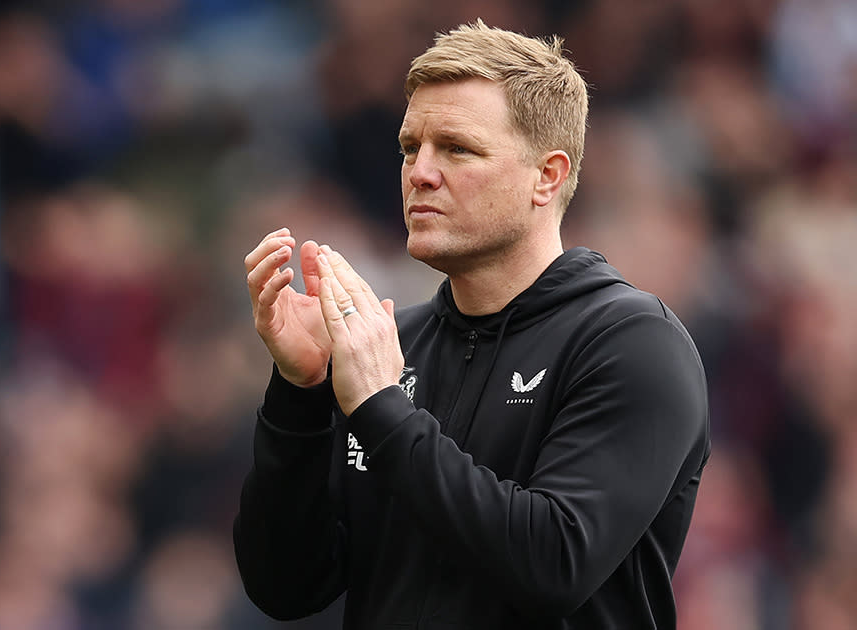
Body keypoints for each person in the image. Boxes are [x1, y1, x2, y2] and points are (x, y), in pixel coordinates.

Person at [234, 21, 710, 630]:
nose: (419, 173)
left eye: (457, 148)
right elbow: (285, 586)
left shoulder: (633, 344)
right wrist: (299, 395)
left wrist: (382, 412)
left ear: (548, 175)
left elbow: (552, 564)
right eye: (411, 148)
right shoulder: (390, 349)